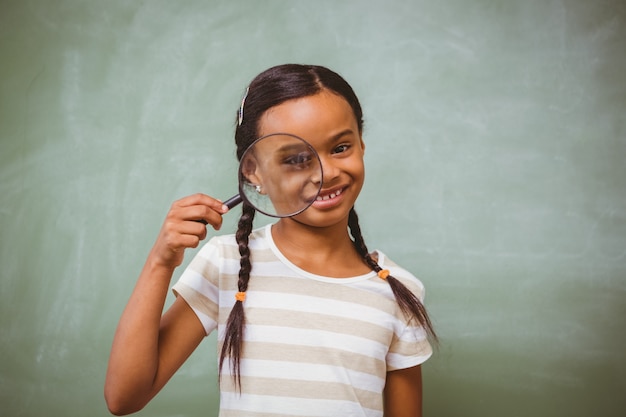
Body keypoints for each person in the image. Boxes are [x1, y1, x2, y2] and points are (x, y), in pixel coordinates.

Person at [105, 64, 437, 417]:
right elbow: (125, 397)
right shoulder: (226, 262)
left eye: (340, 147)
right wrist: (160, 261)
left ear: (362, 144)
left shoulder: (398, 290)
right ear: (253, 172)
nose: (326, 173)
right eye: (295, 159)